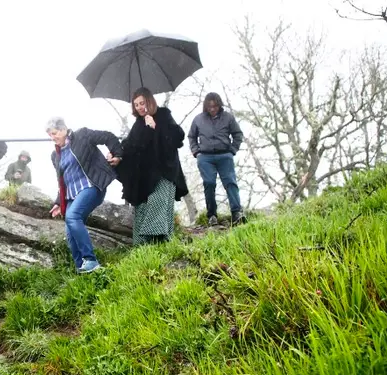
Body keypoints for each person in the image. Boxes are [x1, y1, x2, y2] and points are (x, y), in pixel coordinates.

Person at [46, 116, 122, 273]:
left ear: (63, 129)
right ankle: (81, 268)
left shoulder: (82, 135)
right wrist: (58, 202)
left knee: (72, 216)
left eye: (54, 133)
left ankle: (91, 260)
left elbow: (108, 136)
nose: (53, 138)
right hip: (72, 196)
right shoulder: (56, 156)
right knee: (70, 229)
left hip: (91, 186)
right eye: (50, 135)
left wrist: (117, 154)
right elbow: (62, 181)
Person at [114, 88, 189, 245]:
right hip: (145, 175)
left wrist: (157, 127)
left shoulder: (163, 115)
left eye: (142, 103)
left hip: (164, 170)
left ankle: (158, 239)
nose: (140, 107)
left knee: (159, 200)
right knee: (142, 205)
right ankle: (142, 245)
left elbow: (178, 136)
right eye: (136, 105)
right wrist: (117, 155)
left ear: (149, 101)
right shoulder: (138, 124)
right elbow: (130, 145)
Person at [187, 92, 245, 226]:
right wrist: (196, 152)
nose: (212, 109)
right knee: (209, 183)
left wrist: (232, 150)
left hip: (225, 155)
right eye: (209, 106)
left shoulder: (228, 118)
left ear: (219, 105)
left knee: (230, 182)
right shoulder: (198, 119)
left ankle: (237, 213)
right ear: (206, 107)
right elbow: (191, 137)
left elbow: (238, 134)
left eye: (215, 106)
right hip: (205, 157)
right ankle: (212, 215)